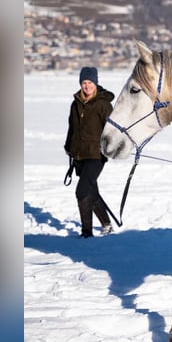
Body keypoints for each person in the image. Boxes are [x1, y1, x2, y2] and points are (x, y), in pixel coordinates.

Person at [65, 66, 115, 238]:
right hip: (79, 154)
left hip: (96, 155)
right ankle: (107, 224)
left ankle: (86, 233)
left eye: (90, 83)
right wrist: (68, 147)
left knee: (82, 191)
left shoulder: (103, 105)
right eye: (84, 83)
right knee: (91, 192)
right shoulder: (76, 103)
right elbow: (72, 128)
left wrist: (109, 147)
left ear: (96, 83)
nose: (87, 86)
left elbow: (112, 130)